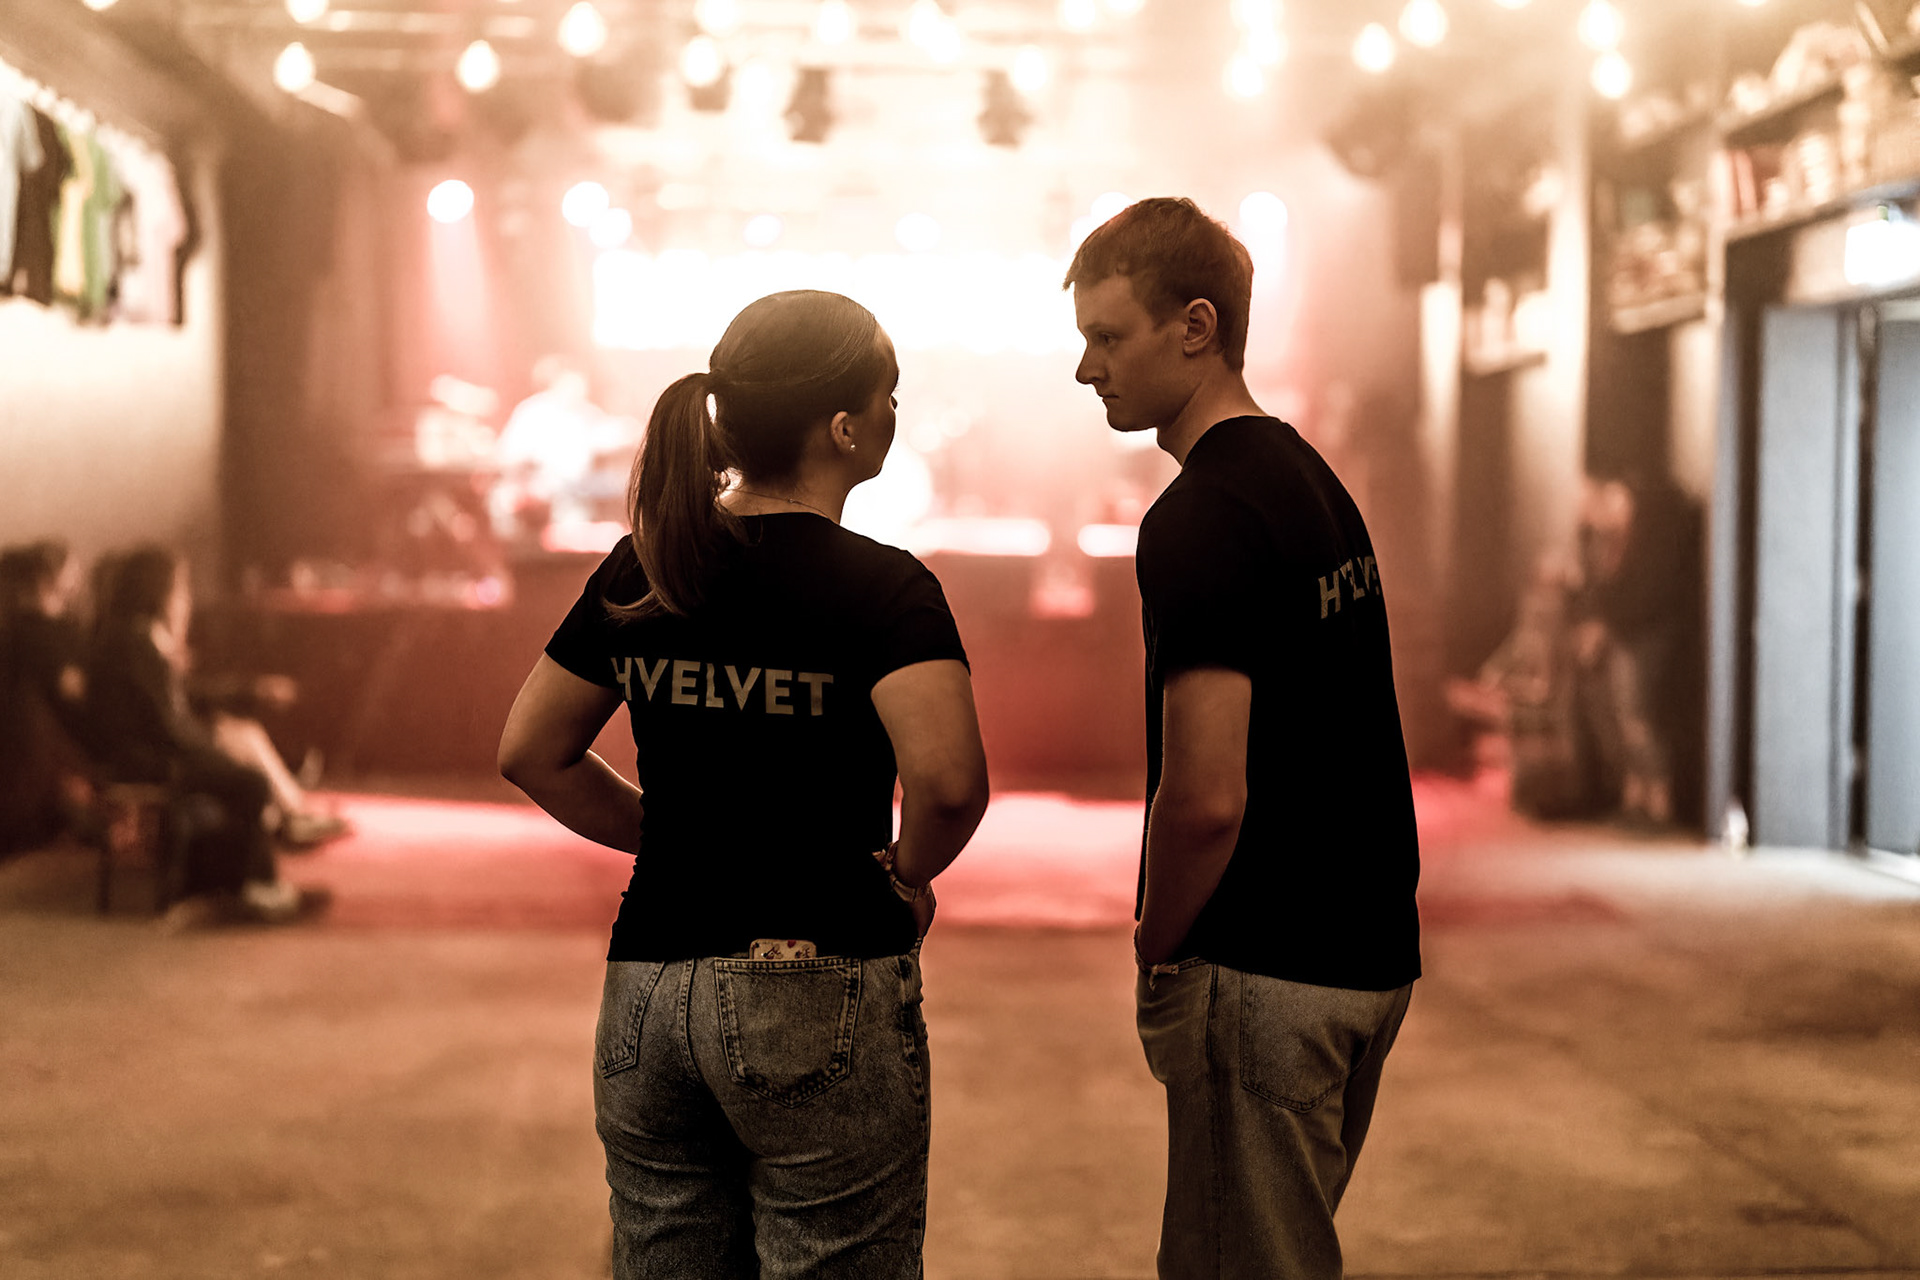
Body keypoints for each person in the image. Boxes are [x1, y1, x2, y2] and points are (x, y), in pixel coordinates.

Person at [498, 290, 989, 1280]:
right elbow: (947, 783)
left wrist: (680, 833)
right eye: (889, 394)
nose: (896, 413)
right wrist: (907, 875)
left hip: (649, 985)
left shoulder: (647, 565)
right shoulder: (887, 587)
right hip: (817, 974)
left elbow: (531, 750)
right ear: (843, 427)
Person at [1064, 198, 1421, 1280]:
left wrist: (1156, 942)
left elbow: (1207, 795)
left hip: (1265, 965)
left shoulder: (1201, 517)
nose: (1086, 369)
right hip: (1364, 953)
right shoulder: (1311, 482)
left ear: (1197, 327)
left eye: (1107, 336)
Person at [82, 546, 326, 923]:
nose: (185, 600)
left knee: (240, 773)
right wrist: (213, 750)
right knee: (250, 783)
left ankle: (236, 883)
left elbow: (169, 711)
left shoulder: (127, 637)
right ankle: (255, 888)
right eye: (180, 589)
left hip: (141, 754)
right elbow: (166, 723)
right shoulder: (136, 644)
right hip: (146, 762)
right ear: (159, 591)